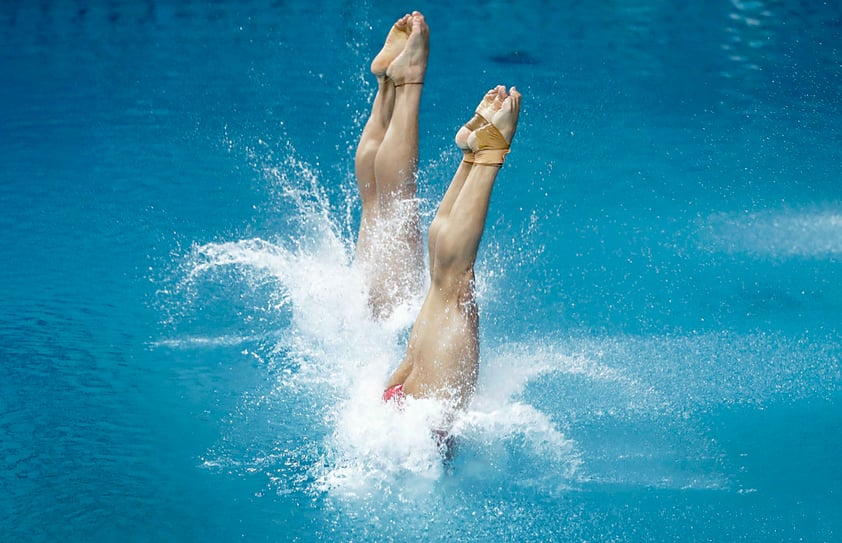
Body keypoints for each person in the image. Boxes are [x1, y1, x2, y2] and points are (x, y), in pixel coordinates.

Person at [353, 12, 521, 419]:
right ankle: (476, 152)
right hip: (410, 409)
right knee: (440, 273)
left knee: (447, 277)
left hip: (415, 412)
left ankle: (480, 151)